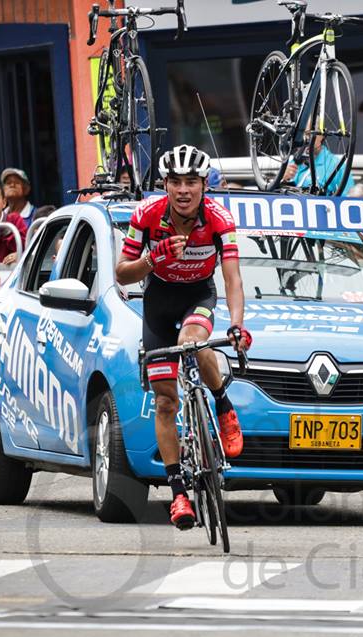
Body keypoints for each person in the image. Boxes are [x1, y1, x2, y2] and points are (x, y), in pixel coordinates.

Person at [115, 144, 251, 530]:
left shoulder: (219, 219)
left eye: (191, 181)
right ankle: (178, 493)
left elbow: (233, 278)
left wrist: (237, 324)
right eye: (175, 181)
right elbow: (122, 274)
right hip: (158, 300)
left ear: (204, 184)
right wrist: (151, 260)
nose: (183, 190)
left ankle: (223, 405)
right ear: (165, 184)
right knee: (164, 401)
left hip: (198, 294)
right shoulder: (146, 215)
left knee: (196, 340)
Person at [283, 131, 352, 196]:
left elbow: (348, 201)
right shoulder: (292, 161)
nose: (305, 138)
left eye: (309, 133)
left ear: (321, 135)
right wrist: (283, 179)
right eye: (302, 133)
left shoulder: (337, 165)